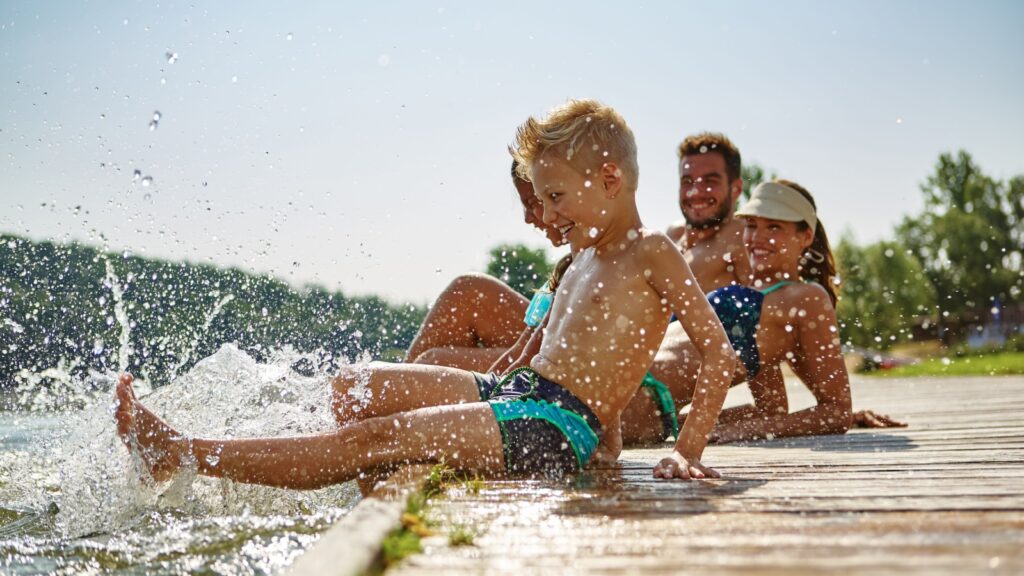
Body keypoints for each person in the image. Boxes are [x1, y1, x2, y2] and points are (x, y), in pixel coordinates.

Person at [114, 99, 738, 489]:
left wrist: (686, 451)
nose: (547, 215)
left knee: (373, 441)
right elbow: (567, 348)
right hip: (521, 394)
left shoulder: (651, 251)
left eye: (555, 197)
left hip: (552, 423)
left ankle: (185, 453)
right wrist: (609, 441)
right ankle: (298, 465)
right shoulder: (584, 255)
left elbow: (719, 354)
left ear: (608, 179)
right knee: (358, 386)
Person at [620, 179, 904, 445]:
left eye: (774, 228)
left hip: (632, 399)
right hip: (634, 398)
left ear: (805, 236)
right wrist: (724, 425)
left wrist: (741, 431)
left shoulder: (807, 298)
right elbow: (771, 411)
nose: (757, 237)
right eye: (753, 225)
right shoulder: (760, 301)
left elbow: (835, 411)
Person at [403, 161, 565, 373]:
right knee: (467, 290)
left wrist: (492, 390)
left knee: (432, 365)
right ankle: (387, 390)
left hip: (569, 357)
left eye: (534, 201)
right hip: (550, 338)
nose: (527, 218)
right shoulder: (574, 261)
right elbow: (524, 349)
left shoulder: (599, 256)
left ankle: (392, 392)